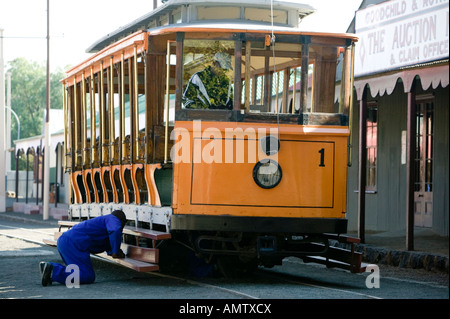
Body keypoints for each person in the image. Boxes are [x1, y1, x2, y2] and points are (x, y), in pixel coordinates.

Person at [39, 210, 127, 286]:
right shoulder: (113, 219)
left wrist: (115, 251)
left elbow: (110, 246)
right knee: (86, 275)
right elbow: (115, 231)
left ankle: (49, 269)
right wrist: (116, 251)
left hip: (66, 241)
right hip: (74, 243)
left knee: (77, 271)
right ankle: (53, 270)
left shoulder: (103, 224)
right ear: (122, 221)